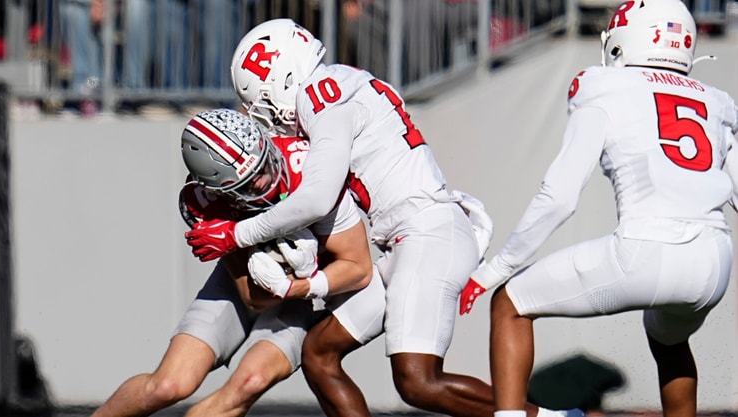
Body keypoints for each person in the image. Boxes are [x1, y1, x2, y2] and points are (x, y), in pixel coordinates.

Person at [183, 18, 581, 417]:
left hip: (426, 230)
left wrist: (238, 235)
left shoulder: (321, 95)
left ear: (285, 79)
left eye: (265, 102)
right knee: (320, 353)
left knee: (418, 381)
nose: (268, 116)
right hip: (406, 239)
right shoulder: (341, 84)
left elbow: (317, 198)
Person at [463, 1, 738, 417]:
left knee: (510, 303)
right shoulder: (716, 101)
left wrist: (494, 269)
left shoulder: (602, 86)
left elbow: (559, 197)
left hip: (646, 250)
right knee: (668, 340)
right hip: (714, 261)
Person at [90, 108, 384, 417]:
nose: (265, 180)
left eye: (264, 165)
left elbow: (358, 267)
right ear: (221, 191)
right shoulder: (205, 202)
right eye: (249, 183)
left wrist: (300, 283)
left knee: (250, 381)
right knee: (168, 386)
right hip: (255, 289)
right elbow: (253, 298)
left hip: (312, 292)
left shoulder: (306, 165)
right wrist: (280, 277)